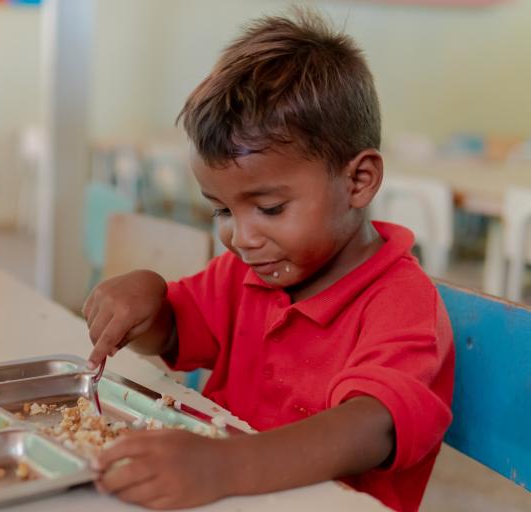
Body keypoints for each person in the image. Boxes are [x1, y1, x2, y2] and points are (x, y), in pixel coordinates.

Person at [82, 10, 453, 512]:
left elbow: (371, 426)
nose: (240, 236)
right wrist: (146, 299)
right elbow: (171, 333)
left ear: (359, 181)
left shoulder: (401, 301)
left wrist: (224, 466)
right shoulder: (245, 275)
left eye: (270, 208)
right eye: (221, 209)